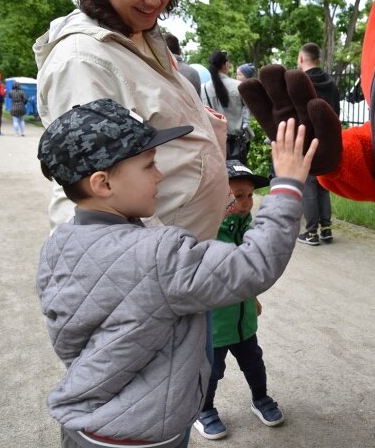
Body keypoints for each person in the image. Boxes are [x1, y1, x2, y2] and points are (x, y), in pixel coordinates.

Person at [36, 98, 316, 448]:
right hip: (143, 436)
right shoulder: (157, 255)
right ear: (102, 184)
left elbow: (70, 335)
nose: (160, 174)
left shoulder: (58, 244)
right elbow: (254, 264)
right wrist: (287, 185)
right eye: (149, 166)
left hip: (85, 426)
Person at [34, 0, 229, 241]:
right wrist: (164, 263)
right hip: (151, 263)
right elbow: (93, 190)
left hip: (184, 249)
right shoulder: (82, 60)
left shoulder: (143, 38)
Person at [194, 159, 284, 440]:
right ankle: (203, 409)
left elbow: (248, 271)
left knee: (254, 362)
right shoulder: (207, 234)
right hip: (216, 323)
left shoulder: (248, 229)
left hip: (243, 320)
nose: (246, 203)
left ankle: (261, 398)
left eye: (249, 196)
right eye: (237, 197)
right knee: (212, 371)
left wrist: (252, 297)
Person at [296, 42, 340, 245]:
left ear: (301, 58)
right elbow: (336, 114)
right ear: (318, 59)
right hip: (328, 142)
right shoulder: (331, 84)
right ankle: (326, 229)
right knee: (323, 185)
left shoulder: (301, 84)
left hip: (307, 142)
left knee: (309, 187)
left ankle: (311, 232)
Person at [201, 50, 253, 163]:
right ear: (226, 65)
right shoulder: (238, 86)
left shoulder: (203, 89)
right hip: (236, 144)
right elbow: (249, 111)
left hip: (214, 144)